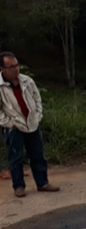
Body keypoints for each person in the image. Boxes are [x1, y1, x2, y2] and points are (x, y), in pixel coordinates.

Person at [0, 52, 60, 197]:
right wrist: (9, 123)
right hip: (14, 126)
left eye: (16, 65)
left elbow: (37, 99)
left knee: (38, 154)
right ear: (2, 69)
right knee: (16, 157)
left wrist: (37, 116)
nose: (16, 69)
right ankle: (19, 186)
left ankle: (43, 183)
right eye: (11, 66)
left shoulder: (27, 81)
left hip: (32, 123)